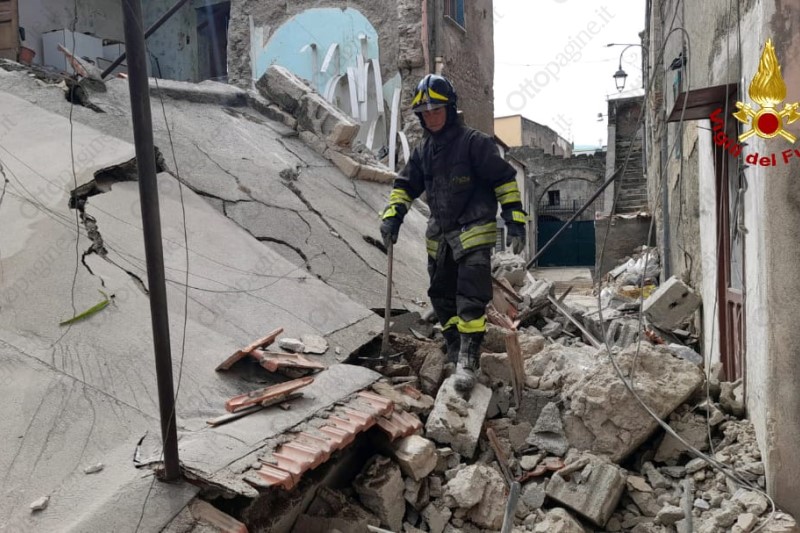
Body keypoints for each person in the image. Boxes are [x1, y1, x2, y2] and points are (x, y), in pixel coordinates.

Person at [380, 74, 527, 392]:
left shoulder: (475, 143)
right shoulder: (423, 151)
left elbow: (504, 180)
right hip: (440, 237)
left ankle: (469, 360)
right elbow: (405, 186)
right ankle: (454, 345)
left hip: (474, 233)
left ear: (449, 109)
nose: (431, 117)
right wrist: (393, 216)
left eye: (437, 110)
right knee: (441, 297)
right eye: (425, 112)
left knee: (470, 299)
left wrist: (515, 218)